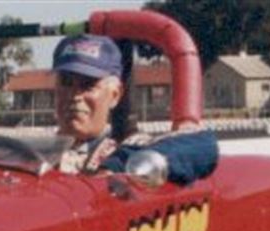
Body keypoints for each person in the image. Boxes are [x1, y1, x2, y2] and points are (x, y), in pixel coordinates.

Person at [52, 34, 218, 184]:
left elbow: (204, 145)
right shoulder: (36, 154)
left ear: (115, 95)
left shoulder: (128, 147)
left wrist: (117, 167)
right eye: (66, 83)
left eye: (88, 85)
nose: (74, 96)